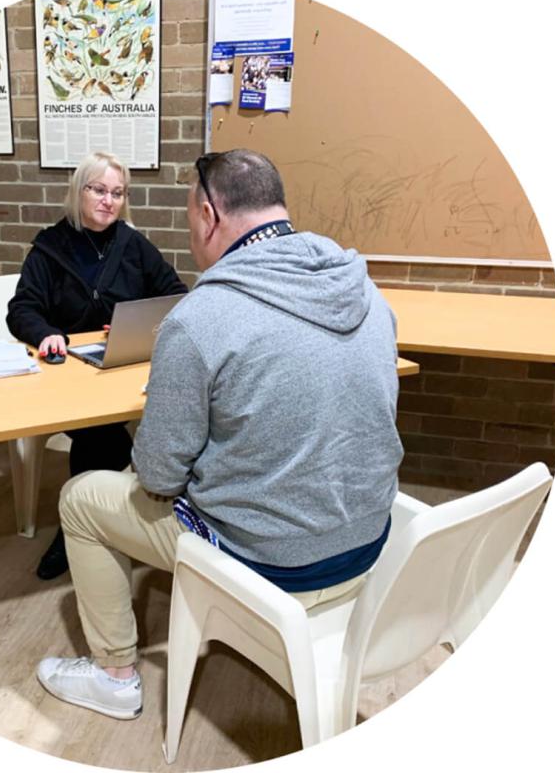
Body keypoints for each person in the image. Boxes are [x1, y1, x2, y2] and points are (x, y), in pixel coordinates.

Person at [35, 149, 404, 719]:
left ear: (208, 214)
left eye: (188, 217)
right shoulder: (366, 293)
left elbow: (159, 475)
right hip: (368, 543)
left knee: (81, 498)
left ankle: (112, 674)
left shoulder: (201, 317)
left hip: (272, 562)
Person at [6, 151, 187, 579]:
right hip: (66, 370)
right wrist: (46, 333)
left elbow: (174, 293)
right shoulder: (50, 247)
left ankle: (104, 521)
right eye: (99, 190)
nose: (109, 201)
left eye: (118, 193)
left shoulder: (132, 244)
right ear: (79, 191)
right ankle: (80, 530)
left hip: (121, 362)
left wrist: (139, 320)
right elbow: (21, 310)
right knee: (103, 436)